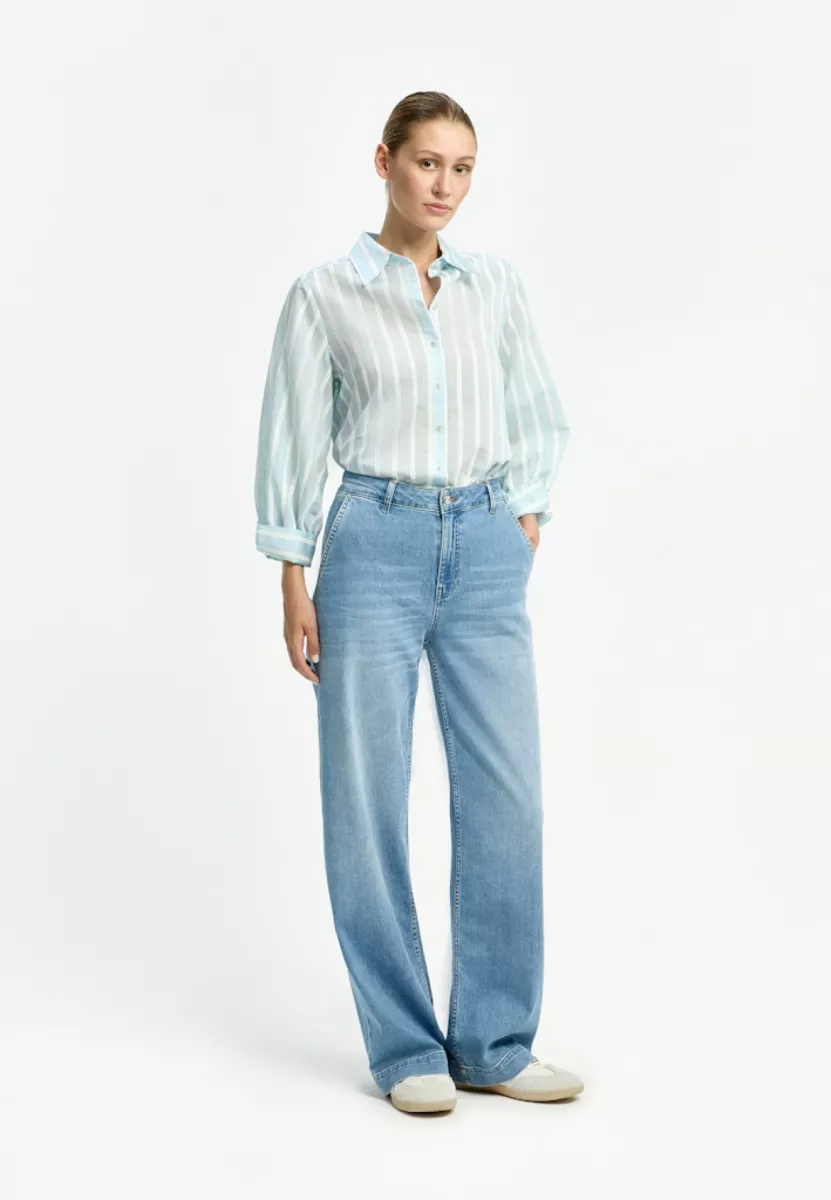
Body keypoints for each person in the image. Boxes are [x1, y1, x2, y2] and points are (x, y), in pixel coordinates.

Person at [253, 90, 583, 1115]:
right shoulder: (326, 294)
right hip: (372, 543)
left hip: (484, 541)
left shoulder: (495, 286)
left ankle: (493, 1040)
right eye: (427, 162)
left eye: (462, 167)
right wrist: (291, 571)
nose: (444, 185)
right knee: (366, 797)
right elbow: (294, 437)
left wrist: (521, 519)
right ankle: (405, 1050)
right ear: (384, 161)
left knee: (507, 794)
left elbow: (537, 410)